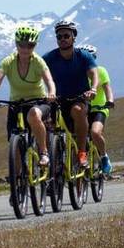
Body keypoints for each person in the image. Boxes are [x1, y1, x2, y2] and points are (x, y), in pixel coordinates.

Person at [0, 26, 57, 166]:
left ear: (34, 46)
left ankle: (43, 152)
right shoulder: (8, 61)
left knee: (33, 114)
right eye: (22, 45)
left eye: (30, 46)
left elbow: (49, 80)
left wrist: (51, 92)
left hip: (38, 102)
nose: (25, 49)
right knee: (16, 148)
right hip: (17, 104)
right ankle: (18, 182)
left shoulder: (38, 61)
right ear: (16, 44)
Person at [42, 20, 98, 167]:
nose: (63, 39)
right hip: (57, 99)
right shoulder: (49, 58)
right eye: (59, 37)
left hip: (79, 98)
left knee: (78, 111)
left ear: (74, 37)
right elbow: (38, 73)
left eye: (66, 36)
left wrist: (93, 89)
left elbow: (93, 73)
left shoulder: (84, 56)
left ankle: (81, 153)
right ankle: (49, 160)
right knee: (45, 123)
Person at [77, 44, 115, 174]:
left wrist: (110, 100)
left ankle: (104, 157)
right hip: (84, 109)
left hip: (99, 108)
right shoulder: (77, 73)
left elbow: (107, 88)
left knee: (95, 132)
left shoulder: (101, 71)